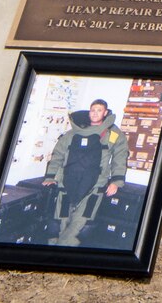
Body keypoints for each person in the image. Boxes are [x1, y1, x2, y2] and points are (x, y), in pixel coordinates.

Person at [41, 98, 128, 246]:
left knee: (80, 223)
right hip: (67, 183)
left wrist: (116, 182)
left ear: (105, 112)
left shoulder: (112, 134)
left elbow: (120, 156)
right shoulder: (72, 133)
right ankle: (52, 253)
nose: (95, 113)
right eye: (92, 110)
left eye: (99, 110)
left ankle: (63, 255)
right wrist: (50, 176)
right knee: (60, 221)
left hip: (94, 187)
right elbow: (58, 154)